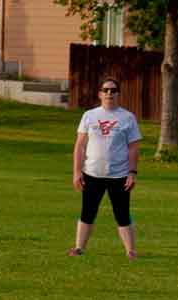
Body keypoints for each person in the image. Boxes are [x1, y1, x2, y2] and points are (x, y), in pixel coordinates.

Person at [69, 78, 143, 259]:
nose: (109, 93)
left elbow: (133, 147)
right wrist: (77, 172)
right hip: (92, 173)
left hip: (119, 175)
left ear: (118, 94)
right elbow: (80, 145)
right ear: (100, 94)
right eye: (106, 90)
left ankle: (130, 251)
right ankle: (79, 248)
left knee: (122, 214)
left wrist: (132, 173)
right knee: (88, 211)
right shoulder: (89, 116)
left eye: (113, 90)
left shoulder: (127, 118)